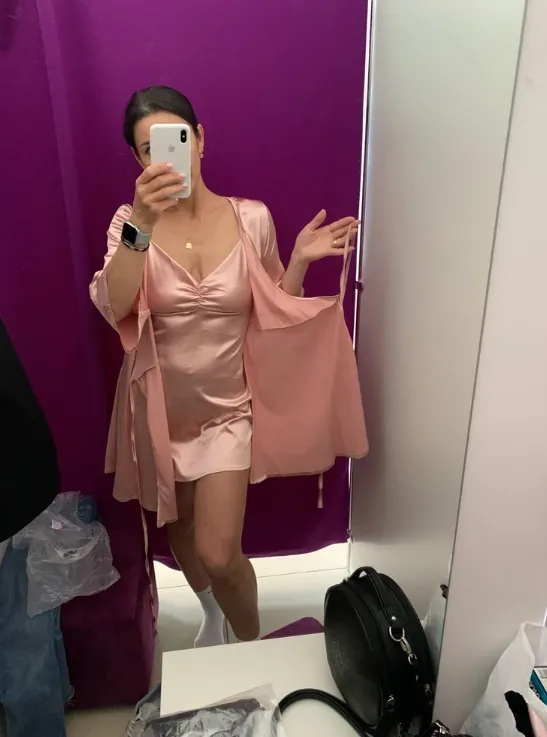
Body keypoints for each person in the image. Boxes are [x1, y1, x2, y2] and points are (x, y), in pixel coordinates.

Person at [91, 85, 359, 648]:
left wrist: (298, 263)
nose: (165, 155)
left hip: (227, 410)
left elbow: (272, 312)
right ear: (138, 160)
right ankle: (211, 613)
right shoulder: (128, 225)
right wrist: (142, 223)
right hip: (159, 409)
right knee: (182, 529)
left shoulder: (250, 219)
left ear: (199, 139)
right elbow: (115, 305)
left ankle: (249, 645)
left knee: (218, 550)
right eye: (148, 149)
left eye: (175, 138)